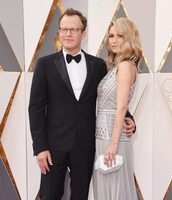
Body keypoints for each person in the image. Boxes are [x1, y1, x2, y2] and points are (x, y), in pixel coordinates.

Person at [29, 8, 135, 200]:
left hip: (86, 145)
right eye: (64, 29)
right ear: (59, 33)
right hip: (53, 147)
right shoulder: (44, 65)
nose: (68, 34)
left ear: (83, 33)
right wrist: (40, 147)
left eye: (74, 30)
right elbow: (35, 108)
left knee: (81, 196)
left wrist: (130, 118)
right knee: (50, 195)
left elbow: (111, 96)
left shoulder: (98, 65)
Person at [93, 18, 142, 200]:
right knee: (107, 190)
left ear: (128, 38)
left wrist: (113, 145)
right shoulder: (117, 66)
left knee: (114, 190)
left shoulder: (125, 66)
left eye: (119, 36)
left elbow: (121, 107)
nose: (113, 40)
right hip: (104, 137)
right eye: (111, 36)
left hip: (112, 140)